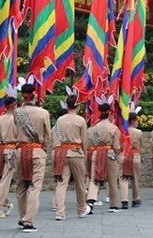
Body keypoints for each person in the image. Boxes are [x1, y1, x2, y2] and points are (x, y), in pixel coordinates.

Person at [14, 80, 51, 232]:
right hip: (36, 150)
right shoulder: (43, 113)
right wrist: (45, 149)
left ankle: (23, 216)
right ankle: (29, 220)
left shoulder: (17, 112)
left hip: (21, 151)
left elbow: (16, 130)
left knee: (21, 186)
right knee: (35, 187)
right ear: (35, 94)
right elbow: (48, 135)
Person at [52, 89, 91, 220]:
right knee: (80, 183)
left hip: (62, 153)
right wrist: (84, 155)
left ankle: (59, 212)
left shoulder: (60, 120)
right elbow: (84, 140)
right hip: (76, 153)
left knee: (61, 183)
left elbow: (56, 138)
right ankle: (81, 208)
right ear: (78, 105)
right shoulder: (80, 120)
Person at [0, 89, 18, 220]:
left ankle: (6, 203)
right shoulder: (17, 120)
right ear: (14, 105)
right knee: (6, 179)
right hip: (12, 149)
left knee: (3, 178)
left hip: (0, 149)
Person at [120, 103, 143, 207]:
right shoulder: (139, 132)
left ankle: (124, 200)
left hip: (124, 155)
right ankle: (135, 198)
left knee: (123, 178)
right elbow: (141, 145)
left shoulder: (122, 131)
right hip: (135, 155)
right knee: (135, 178)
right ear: (133, 120)